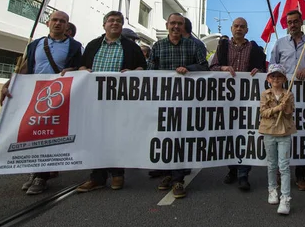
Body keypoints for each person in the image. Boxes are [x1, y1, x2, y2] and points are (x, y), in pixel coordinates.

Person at [0, 11, 83, 195]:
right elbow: (25, 67)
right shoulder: (36, 44)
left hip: (58, 96)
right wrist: (7, 85)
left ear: (67, 25)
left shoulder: (75, 47)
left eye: (62, 21)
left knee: (49, 134)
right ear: (48, 23)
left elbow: (80, 69)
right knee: (33, 134)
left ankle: (41, 176)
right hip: (35, 95)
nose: (58, 23)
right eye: (55, 20)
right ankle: (35, 171)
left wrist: (73, 71)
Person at [75, 11, 146, 193]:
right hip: (95, 101)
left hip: (120, 101)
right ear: (104, 24)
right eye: (111, 20)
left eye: (119, 21)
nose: (115, 23)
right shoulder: (92, 46)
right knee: (96, 138)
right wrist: (84, 71)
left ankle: (117, 174)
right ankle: (97, 177)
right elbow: (81, 66)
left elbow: (143, 68)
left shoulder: (131, 47)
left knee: (117, 137)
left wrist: (135, 71)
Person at [148, 13, 209, 198]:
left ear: (183, 26)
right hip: (164, 101)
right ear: (167, 25)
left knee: (182, 139)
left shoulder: (193, 45)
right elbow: (150, 71)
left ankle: (178, 179)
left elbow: (204, 67)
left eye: (179, 24)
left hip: (186, 102)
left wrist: (189, 69)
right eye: (173, 23)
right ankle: (167, 174)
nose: (176, 26)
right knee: (165, 138)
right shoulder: (157, 46)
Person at [210, 17, 267, 191]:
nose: (239, 29)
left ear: (247, 30)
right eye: (236, 26)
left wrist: (260, 71)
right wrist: (223, 68)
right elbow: (212, 68)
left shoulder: (255, 49)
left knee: (245, 134)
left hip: (247, 99)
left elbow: (265, 71)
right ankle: (232, 170)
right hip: (227, 100)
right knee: (229, 134)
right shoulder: (222, 47)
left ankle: (244, 174)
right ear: (231, 28)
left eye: (242, 26)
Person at [269, 10, 305, 191]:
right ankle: (280, 172)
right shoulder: (280, 43)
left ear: (301, 22)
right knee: (281, 134)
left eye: (295, 21)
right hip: (282, 98)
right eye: (289, 22)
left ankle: (300, 176)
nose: (292, 25)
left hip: (304, 98)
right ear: (287, 24)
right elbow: (271, 65)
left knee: (300, 135)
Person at [259, 64, 296, 215]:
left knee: (284, 166)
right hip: (269, 131)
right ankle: (272, 189)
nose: (276, 79)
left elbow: (289, 113)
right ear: (268, 78)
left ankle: (285, 198)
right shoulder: (265, 94)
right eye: (273, 76)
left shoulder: (289, 94)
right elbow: (263, 112)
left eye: (279, 76)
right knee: (272, 164)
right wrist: (276, 109)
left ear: (284, 79)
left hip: (284, 133)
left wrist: (285, 105)